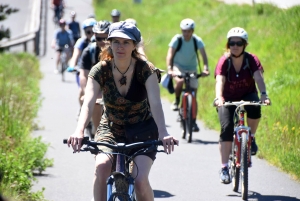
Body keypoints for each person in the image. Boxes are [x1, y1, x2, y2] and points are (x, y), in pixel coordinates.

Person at [67, 21, 178, 201]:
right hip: (111, 127)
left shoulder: (146, 70)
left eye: (126, 42)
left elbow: (156, 103)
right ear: (109, 43)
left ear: (134, 45)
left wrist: (163, 132)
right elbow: (88, 102)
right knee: (101, 168)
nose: (120, 46)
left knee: (140, 180)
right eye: (116, 41)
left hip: (143, 128)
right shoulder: (100, 70)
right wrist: (79, 130)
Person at [214, 27, 270, 184]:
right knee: (226, 128)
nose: (235, 46)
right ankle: (224, 168)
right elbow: (220, 80)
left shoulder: (251, 59)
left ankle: (250, 137)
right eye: (232, 43)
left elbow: (258, 78)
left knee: (255, 105)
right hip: (227, 98)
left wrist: (264, 94)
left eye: (239, 43)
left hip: (247, 94)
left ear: (245, 44)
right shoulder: (224, 61)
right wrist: (219, 97)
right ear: (228, 44)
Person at [166, 18, 210, 132]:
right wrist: (170, 69)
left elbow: (203, 56)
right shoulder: (177, 39)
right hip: (178, 66)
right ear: (181, 30)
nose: (186, 33)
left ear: (192, 31)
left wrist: (205, 68)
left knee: (194, 94)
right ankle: (176, 101)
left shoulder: (197, 40)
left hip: (192, 68)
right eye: (184, 31)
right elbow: (170, 54)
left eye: (188, 31)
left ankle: (193, 121)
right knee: (180, 81)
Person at [78, 20, 111, 139]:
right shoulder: (89, 52)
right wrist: (87, 93)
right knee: (90, 100)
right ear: (94, 37)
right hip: (96, 87)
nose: (102, 42)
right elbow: (83, 75)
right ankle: (98, 137)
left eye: (105, 38)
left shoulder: (118, 51)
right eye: (99, 38)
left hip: (114, 88)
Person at [67, 18, 97, 106]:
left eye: (93, 32)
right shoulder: (81, 42)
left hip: (97, 72)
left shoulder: (100, 41)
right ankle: (82, 110)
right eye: (88, 32)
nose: (91, 34)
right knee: (82, 90)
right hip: (83, 69)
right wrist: (72, 65)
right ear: (84, 32)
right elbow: (75, 54)